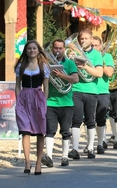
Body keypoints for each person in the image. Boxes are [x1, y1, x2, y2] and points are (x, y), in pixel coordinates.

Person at [41, 39, 79, 167]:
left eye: (60, 48)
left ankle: (64, 156)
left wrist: (61, 76)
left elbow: (75, 79)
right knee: (50, 130)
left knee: (65, 131)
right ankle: (49, 157)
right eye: (55, 48)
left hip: (67, 103)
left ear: (64, 49)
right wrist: (47, 74)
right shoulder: (46, 64)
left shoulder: (69, 63)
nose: (58, 51)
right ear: (52, 49)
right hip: (51, 102)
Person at [14, 40, 50, 175]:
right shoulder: (20, 65)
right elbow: (17, 85)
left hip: (38, 98)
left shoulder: (43, 66)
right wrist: (18, 100)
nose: (32, 51)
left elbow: (46, 86)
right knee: (25, 131)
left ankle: (39, 162)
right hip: (24, 98)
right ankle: (27, 161)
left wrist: (44, 102)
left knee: (40, 131)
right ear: (26, 50)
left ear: (38, 50)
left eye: (34, 48)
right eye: (29, 48)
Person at [68, 29, 103, 159]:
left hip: (91, 90)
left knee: (90, 120)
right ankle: (75, 149)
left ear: (91, 40)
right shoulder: (74, 53)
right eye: (81, 39)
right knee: (76, 120)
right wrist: (71, 59)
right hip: (76, 89)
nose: (83, 41)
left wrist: (85, 67)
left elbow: (99, 73)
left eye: (86, 39)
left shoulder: (97, 55)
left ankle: (90, 148)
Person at [92, 36, 114, 153]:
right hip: (90, 90)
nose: (94, 48)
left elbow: (109, 72)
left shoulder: (107, 56)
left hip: (103, 91)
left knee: (101, 119)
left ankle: (100, 143)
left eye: (96, 45)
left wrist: (98, 61)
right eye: (92, 45)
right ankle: (90, 144)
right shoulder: (86, 56)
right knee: (89, 119)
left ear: (101, 46)